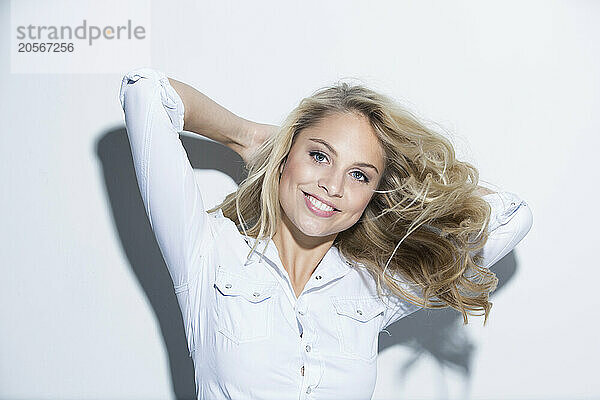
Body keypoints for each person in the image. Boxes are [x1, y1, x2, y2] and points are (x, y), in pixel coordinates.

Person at [118, 67, 533, 400]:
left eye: (358, 174)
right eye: (319, 156)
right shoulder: (209, 251)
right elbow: (145, 91)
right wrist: (253, 137)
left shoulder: (373, 287)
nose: (333, 186)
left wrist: (403, 191)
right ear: (286, 156)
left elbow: (512, 215)